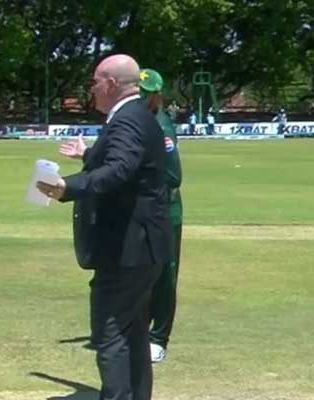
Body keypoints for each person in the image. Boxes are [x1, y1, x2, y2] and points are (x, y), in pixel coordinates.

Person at [38, 55, 171, 400]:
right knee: (133, 333)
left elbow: (120, 168)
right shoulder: (137, 116)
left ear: (111, 84)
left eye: (94, 82)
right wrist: (88, 156)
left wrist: (70, 186)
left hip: (128, 248)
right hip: (144, 247)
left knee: (111, 333)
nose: (91, 89)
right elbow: (123, 163)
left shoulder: (127, 120)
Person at [139, 69, 183, 363]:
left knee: (164, 276)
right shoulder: (139, 120)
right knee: (140, 271)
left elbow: (172, 175)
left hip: (165, 210)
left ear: (156, 97)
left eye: (145, 96)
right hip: (144, 209)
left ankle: (159, 338)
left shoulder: (161, 127)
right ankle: (140, 330)